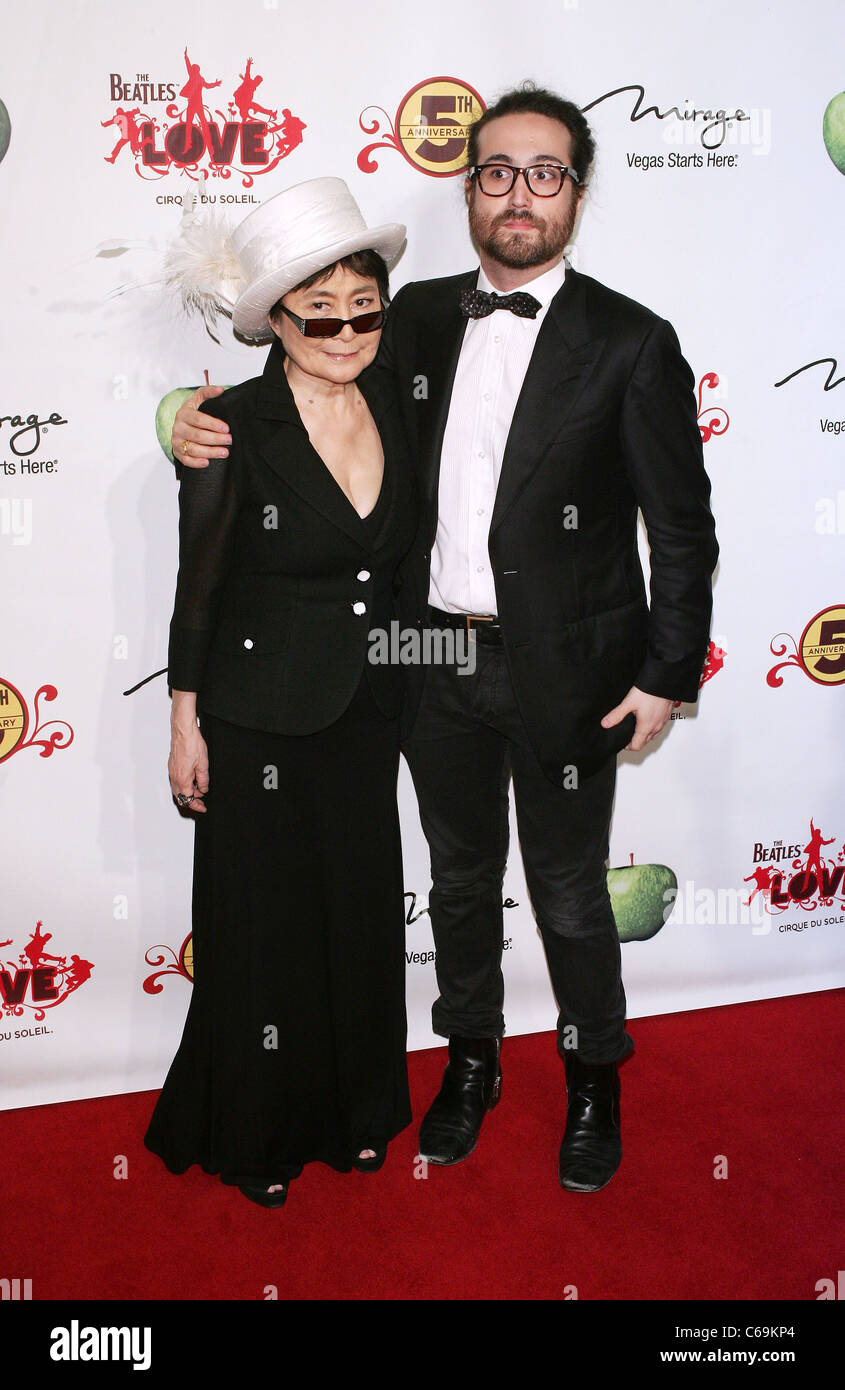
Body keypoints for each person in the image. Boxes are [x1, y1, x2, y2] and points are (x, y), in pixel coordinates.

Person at [170, 86, 719, 1194]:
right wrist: (186, 413)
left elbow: (679, 524)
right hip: (428, 661)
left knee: (566, 891)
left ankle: (591, 1078)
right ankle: (469, 1063)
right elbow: (299, 374)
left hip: (569, 669)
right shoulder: (408, 314)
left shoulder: (629, 340)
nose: (519, 193)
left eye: (545, 172)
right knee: (461, 884)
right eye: (498, 171)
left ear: (575, 190)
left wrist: (666, 673)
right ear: (470, 188)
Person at [144, 178, 418, 1207]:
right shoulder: (230, 426)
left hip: (363, 716)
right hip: (256, 716)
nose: (346, 332)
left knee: (353, 921)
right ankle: (256, 1133)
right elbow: (199, 584)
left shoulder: (396, 391)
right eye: (320, 314)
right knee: (263, 934)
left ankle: (353, 1114)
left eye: (365, 310)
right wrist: (183, 718)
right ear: (275, 319)